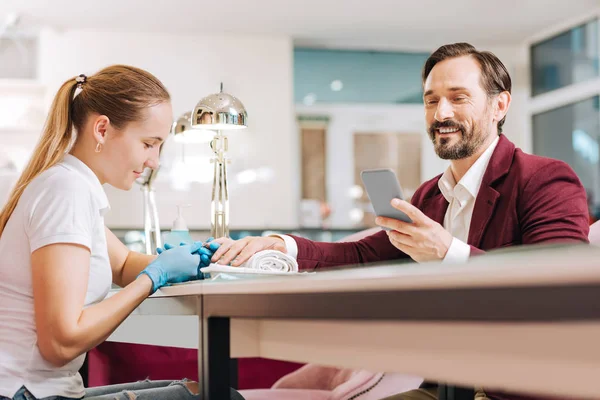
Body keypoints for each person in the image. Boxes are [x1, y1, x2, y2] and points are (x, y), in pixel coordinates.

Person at [205, 43, 590, 399]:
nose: (441, 114)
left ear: (499, 106)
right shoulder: (430, 196)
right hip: (446, 385)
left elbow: (560, 296)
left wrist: (448, 253)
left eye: (458, 98)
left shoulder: (545, 179)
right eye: (431, 100)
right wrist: (283, 245)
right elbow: (361, 254)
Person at [0, 65, 243, 400]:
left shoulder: (71, 185)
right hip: (25, 393)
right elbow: (61, 343)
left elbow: (123, 261)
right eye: (148, 143)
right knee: (220, 397)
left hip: (41, 390)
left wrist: (195, 262)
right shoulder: (66, 191)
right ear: (102, 129)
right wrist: (153, 277)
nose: (155, 161)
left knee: (203, 389)